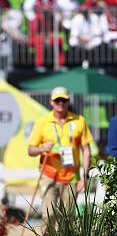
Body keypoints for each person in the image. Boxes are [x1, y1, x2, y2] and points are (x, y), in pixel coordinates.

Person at [27, 87, 92, 224]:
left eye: (64, 100)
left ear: (68, 101)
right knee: (48, 215)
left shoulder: (79, 121)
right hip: (49, 175)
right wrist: (42, 148)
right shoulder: (43, 122)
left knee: (68, 220)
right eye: (57, 100)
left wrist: (85, 176)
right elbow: (30, 150)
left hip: (71, 177)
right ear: (51, 102)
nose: (61, 103)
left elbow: (86, 150)